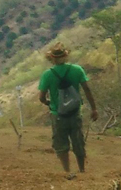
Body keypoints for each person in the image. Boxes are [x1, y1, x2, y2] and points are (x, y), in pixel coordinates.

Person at [37, 43, 98, 177]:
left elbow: (41, 97)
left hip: (57, 113)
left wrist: (49, 103)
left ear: (51, 59)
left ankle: (67, 171)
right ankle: (82, 170)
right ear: (66, 56)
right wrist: (94, 108)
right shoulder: (77, 70)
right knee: (78, 141)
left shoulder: (47, 74)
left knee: (60, 142)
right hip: (75, 112)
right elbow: (87, 89)